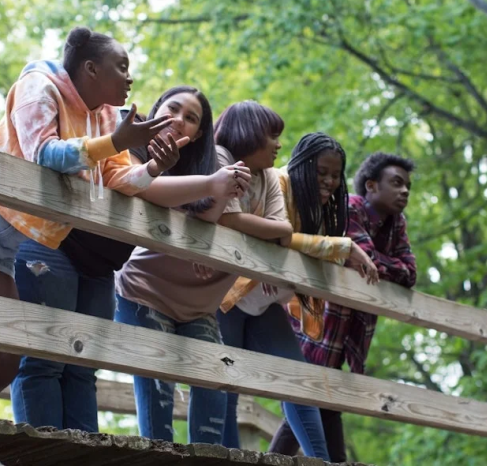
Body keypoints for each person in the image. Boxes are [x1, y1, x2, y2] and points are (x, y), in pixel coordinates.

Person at [0, 26, 176, 426]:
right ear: (91, 69)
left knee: (7, 355)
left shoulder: (107, 118)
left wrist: (152, 168)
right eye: (122, 67)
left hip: (7, 243)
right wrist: (115, 142)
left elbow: (114, 179)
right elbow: (43, 153)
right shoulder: (38, 85)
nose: (130, 78)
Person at [10, 85, 250, 432]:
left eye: (191, 118)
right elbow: (141, 186)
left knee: (82, 367)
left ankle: (78, 456)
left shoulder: (193, 167)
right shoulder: (131, 133)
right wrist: (212, 184)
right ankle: (36, 454)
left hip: (101, 266)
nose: (179, 121)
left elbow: (201, 223)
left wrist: (219, 189)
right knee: (44, 359)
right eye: (173, 109)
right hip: (60, 245)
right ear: (155, 110)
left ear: (200, 133)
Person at [114, 101, 293, 446]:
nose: (278, 144)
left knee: (216, 383)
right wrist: (268, 230)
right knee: (158, 395)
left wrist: (272, 231)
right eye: (272, 135)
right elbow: (230, 219)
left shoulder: (270, 178)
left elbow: (282, 229)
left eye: (193, 118)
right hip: (148, 290)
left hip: (199, 304)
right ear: (250, 132)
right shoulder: (220, 158)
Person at [217, 132, 378, 460]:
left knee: (300, 382)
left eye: (336, 174)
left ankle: (318, 460)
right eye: (321, 172)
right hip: (232, 296)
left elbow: (302, 246)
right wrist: (345, 247)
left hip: (266, 306)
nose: (330, 181)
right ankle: (223, 457)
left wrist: (333, 248)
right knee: (226, 381)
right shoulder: (279, 182)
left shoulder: (322, 213)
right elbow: (281, 236)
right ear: (303, 165)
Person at [269, 152, 417, 462]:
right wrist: (373, 261)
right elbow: (362, 258)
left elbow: (409, 272)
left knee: (325, 399)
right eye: (397, 183)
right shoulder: (350, 207)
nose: (404, 191)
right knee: (310, 396)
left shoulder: (396, 224)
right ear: (372, 185)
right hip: (319, 320)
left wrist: (374, 261)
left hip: (348, 328)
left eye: (408, 186)